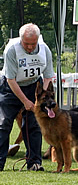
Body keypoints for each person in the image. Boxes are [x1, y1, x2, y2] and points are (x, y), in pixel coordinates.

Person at [0, 23, 55, 171]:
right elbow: (11, 79)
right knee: (4, 123)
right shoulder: (12, 50)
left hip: (34, 86)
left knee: (34, 125)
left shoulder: (45, 49)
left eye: (33, 44)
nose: (30, 47)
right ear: (20, 39)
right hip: (11, 87)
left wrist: (40, 97)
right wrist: (25, 101)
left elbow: (49, 76)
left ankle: (34, 163)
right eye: (26, 44)